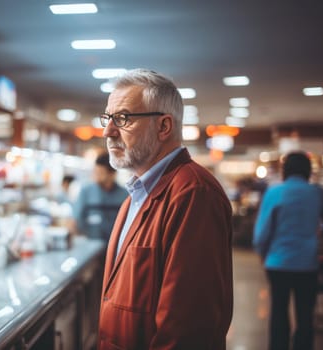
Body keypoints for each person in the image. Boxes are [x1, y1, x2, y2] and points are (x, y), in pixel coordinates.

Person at [97, 69, 233, 349]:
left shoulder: (193, 194)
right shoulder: (137, 194)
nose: (108, 131)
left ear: (164, 127)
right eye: (107, 119)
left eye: (123, 119)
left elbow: (189, 327)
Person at [253, 151, 323, 350]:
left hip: (277, 263)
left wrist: (262, 254)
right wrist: (319, 233)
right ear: (309, 171)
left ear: (285, 171)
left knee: (278, 311)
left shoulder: (274, 193)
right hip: (307, 263)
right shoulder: (319, 193)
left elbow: (261, 233)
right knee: (305, 315)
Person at [72, 152, 127, 242]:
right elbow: (75, 220)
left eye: (100, 173)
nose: (96, 176)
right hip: (90, 246)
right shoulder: (86, 191)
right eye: (95, 172)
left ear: (112, 174)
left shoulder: (124, 195)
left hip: (115, 246)